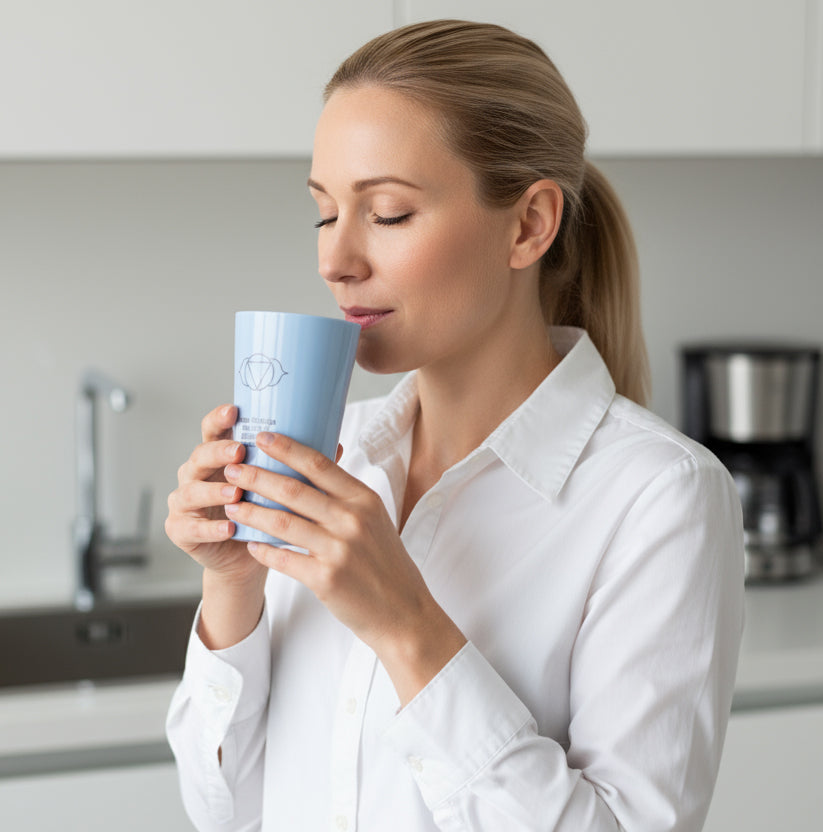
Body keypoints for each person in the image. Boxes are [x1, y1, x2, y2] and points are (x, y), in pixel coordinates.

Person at [164, 19, 744, 832]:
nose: (335, 260)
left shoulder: (658, 498)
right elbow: (226, 814)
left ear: (528, 225)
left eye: (390, 213)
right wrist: (234, 585)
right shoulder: (336, 463)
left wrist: (407, 627)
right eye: (325, 214)